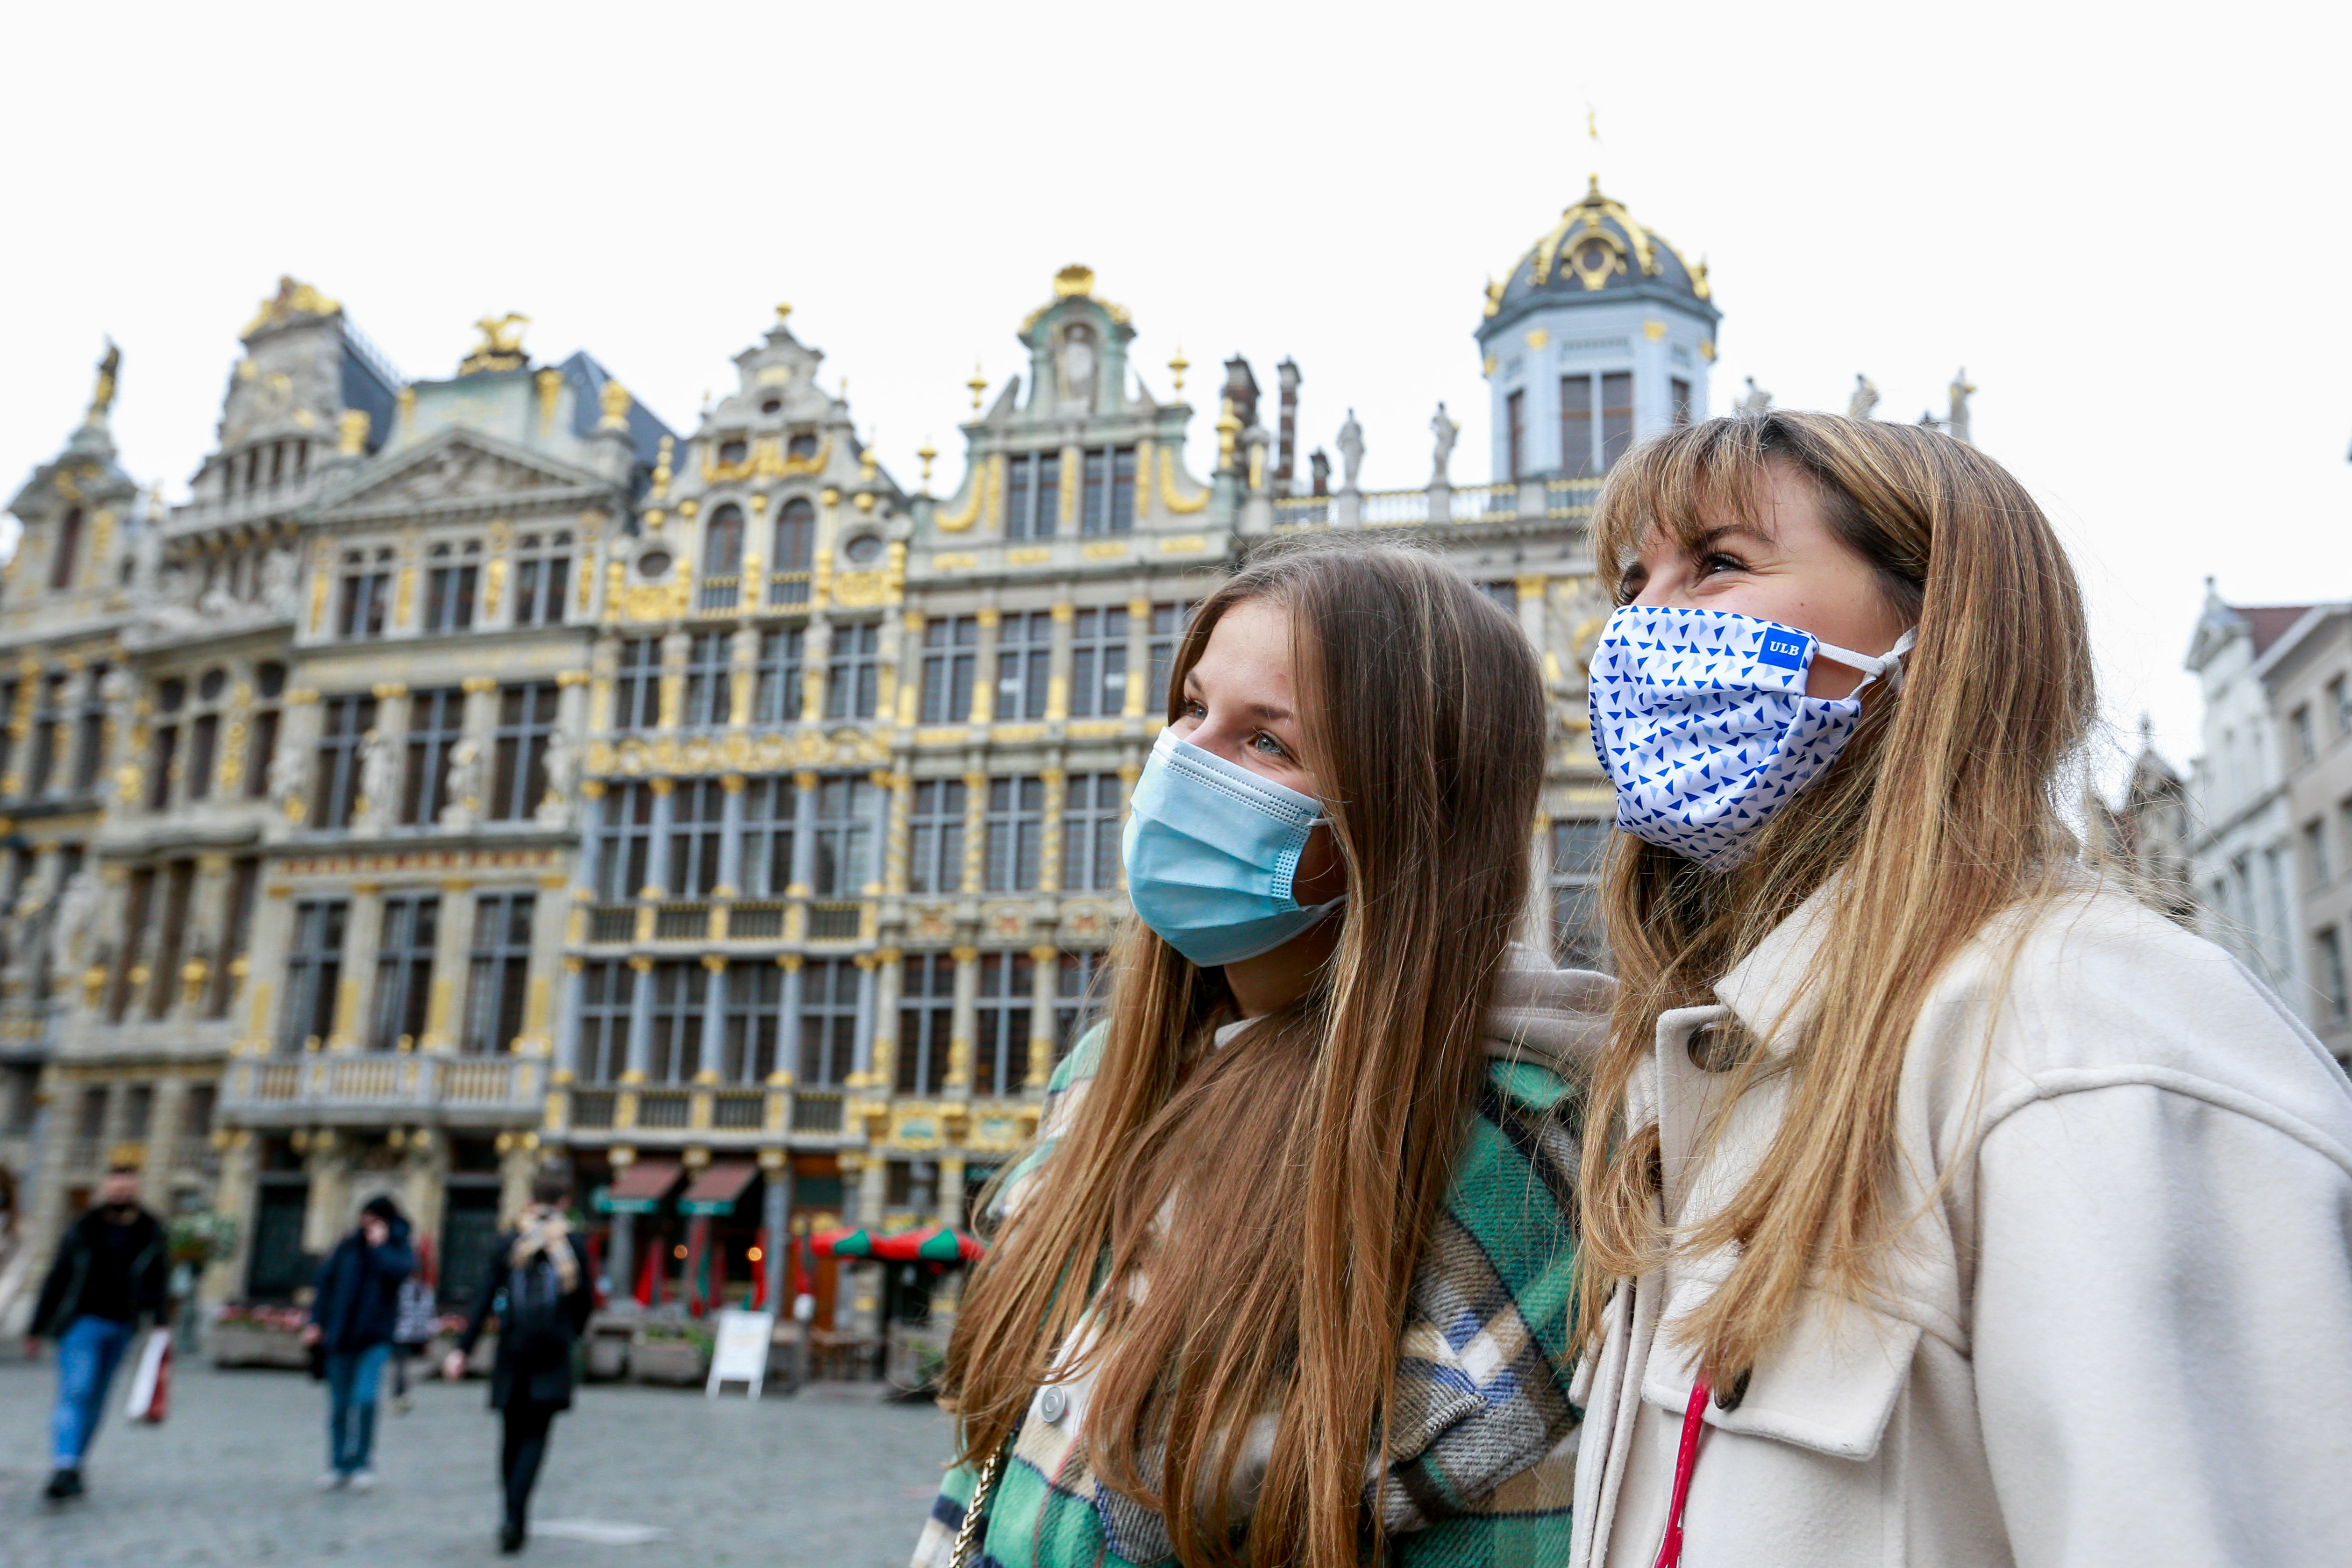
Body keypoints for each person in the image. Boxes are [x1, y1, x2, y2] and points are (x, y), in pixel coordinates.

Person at [1567, 411, 2352, 1567]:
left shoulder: (2074, 1030)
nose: (1638, 627)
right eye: (1635, 582)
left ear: (1939, 635)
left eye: (1720, 563)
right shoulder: (1727, 1055)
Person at [913, 538, 1608, 1568]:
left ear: (1403, 811)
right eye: (1192, 710)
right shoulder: (1103, 1073)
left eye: (1267, 743)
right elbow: (989, 1476)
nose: (1188, 760)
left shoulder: (1500, 1153)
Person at [445, 1168, 592, 1554]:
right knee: (535, 1437)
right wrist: (569, 1335)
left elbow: (482, 1299)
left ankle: (510, 1513)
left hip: (513, 1351)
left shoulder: (509, 1241)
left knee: (510, 1436)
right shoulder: (574, 1244)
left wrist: (462, 1349)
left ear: (531, 1197)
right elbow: (586, 1303)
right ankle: (517, 1516)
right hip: (551, 1354)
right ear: (564, 1202)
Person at [27, 1165, 169, 1502]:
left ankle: (75, 1465)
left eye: (126, 1189)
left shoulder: (151, 1231)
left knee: (97, 1398)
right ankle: (64, 1464)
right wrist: (38, 1326)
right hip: (81, 1321)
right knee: (77, 1390)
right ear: (105, 1189)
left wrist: (160, 1322)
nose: (120, 1194)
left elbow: (158, 1279)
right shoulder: (84, 1227)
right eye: (115, 1188)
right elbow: (58, 1275)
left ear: (135, 1190)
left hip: (123, 1326)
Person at [303, 1194, 415, 1491]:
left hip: (374, 1337)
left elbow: (400, 1272)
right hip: (340, 1336)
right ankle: (339, 1464)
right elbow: (325, 1284)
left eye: (375, 1220)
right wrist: (316, 1322)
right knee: (339, 1405)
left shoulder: (398, 1247)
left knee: (365, 1399)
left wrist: (379, 1248)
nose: (368, 1225)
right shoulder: (348, 1246)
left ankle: (363, 1462)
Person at [388, 1234, 438, 1414]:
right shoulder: (403, 1289)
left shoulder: (426, 1291)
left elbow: (428, 1315)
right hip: (402, 1334)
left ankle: (402, 1393)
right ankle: (400, 1393)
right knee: (401, 1366)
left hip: (417, 1335)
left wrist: (428, 1336)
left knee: (407, 1366)